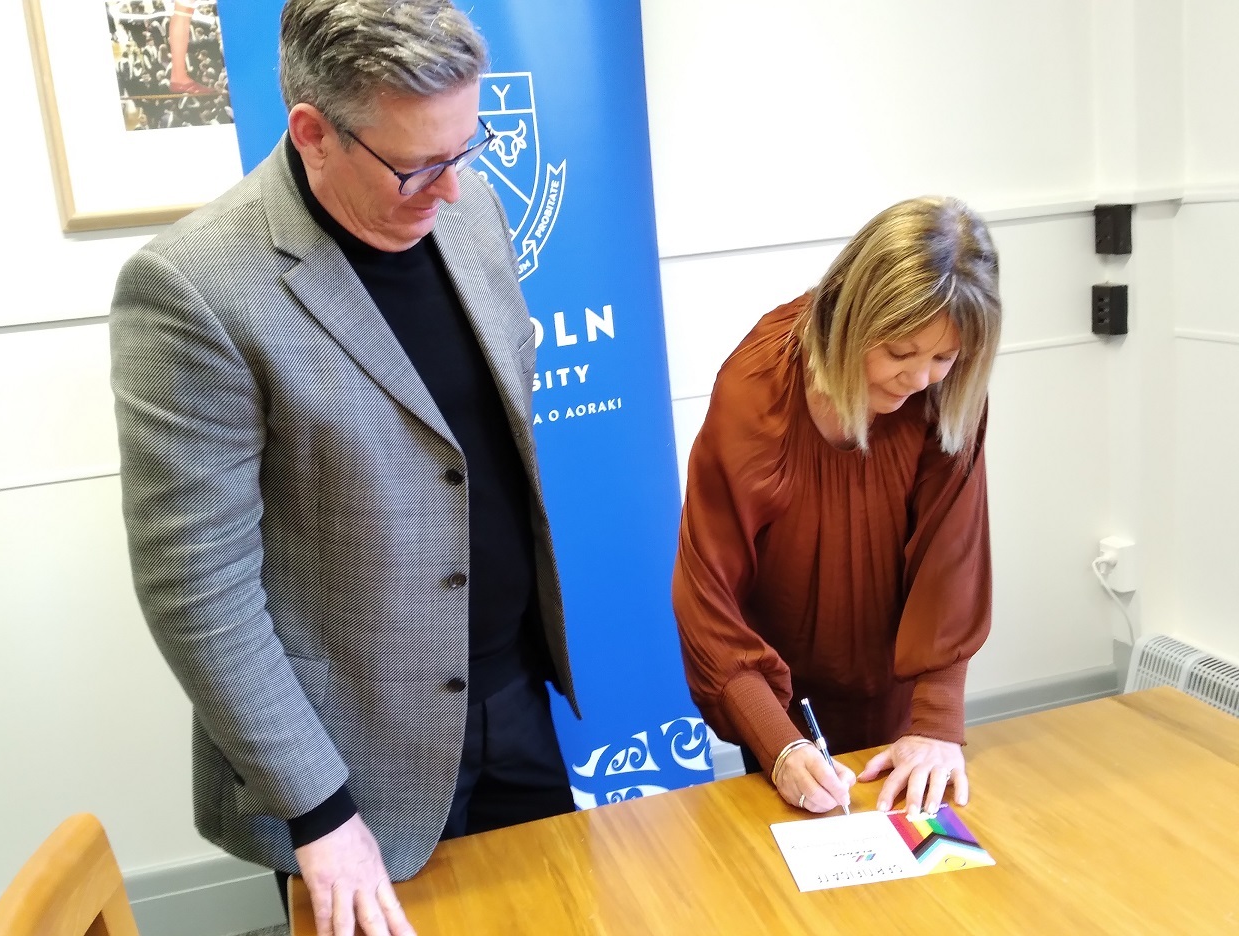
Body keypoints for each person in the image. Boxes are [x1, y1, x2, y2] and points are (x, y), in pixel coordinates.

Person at [109, 2, 580, 934]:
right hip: (350, 754)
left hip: (511, 692)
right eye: (417, 166)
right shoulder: (194, 289)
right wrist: (319, 811)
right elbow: (197, 591)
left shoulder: (468, 207)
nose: (449, 191)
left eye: (465, 150)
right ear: (314, 133)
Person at [672, 196, 1000, 822]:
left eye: (942, 357)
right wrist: (778, 744)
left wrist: (935, 723)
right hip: (781, 696)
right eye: (900, 352)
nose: (919, 379)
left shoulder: (945, 391)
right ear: (850, 317)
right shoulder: (758, 389)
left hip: (896, 679)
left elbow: (950, 556)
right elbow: (707, 593)